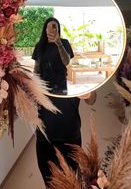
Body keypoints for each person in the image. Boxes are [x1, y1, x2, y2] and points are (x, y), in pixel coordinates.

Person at [32, 17, 96, 187]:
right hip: (45, 126)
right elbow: (36, 71)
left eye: (54, 27)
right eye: (47, 27)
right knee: (49, 178)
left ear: (58, 29)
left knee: (72, 178)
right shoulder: (40, 46)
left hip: (69, 128)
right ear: (44, 29)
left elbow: (67, 61)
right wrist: (34, 89)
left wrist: (59, 43)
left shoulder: (65, 44)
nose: (50, 30)